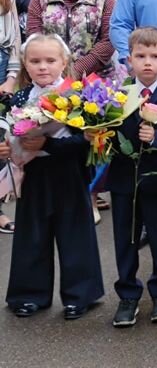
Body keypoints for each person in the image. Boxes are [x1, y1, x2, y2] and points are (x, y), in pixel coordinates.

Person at [4, 34, 103, 320]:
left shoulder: (77, 95)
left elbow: (87, 140)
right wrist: (7, 146)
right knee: (31, 232)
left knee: (75, 232)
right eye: (35, 61)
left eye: (50, 60)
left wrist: (48, 143)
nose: (43, 67)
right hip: (34, 172)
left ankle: (80, 294)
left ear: (64, 62)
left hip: (69, 171)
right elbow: (10, 131)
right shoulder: (21, 97)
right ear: (25, 63)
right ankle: (28, 293)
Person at [109, 27, 157, 327]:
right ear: (129, 60)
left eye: (154, 56)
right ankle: (128, 294)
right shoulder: (120, 95)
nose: (147, 62)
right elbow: (110, 133)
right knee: (125, 237)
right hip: (124, 179)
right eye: (140, 56)